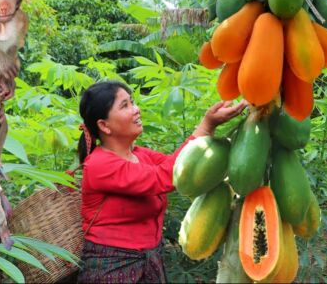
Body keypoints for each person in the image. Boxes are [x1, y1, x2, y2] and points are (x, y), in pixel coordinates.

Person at [76, 81, 246, 283]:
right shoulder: (99, 165)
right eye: (125, 106)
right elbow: (167, 176)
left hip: (149, 263)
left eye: (132, 102)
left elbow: (179, 165)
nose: (136, 110)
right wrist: (207, 125)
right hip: (111, 270)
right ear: (104, 126)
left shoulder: (140, 155)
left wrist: (208, 128)